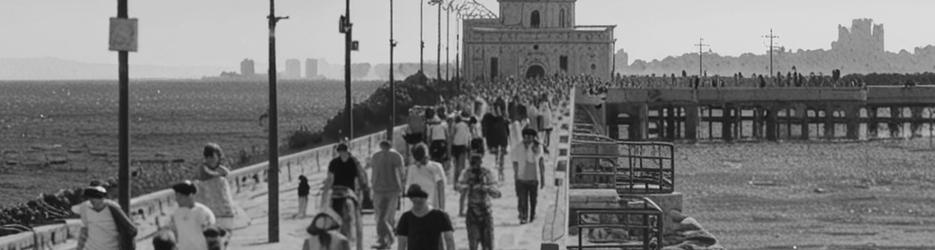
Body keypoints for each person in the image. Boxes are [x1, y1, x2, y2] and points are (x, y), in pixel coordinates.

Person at [321, 143, 369, 250]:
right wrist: (361, 194)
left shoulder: (333, 162)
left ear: (338, 151)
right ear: (348, 150)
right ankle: (359, 247)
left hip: (335, 193)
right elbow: (360, 179)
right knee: (358, 223)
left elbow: (329, 180)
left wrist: (324, 197)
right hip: (349, 193)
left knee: (331, 222)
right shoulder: (354, 162)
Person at [71, 185, 137, 250]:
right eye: (89, 197)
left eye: (95, 196)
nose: (91, 199)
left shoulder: (113, 208)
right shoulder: (85, 208)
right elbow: (84, 231)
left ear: (102, 198)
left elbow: (131, 229)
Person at [457, 155, 501, 250]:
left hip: (486, 212)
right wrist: (467, 186)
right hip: (472, 212)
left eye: (477, 163)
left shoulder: (487, 173)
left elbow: (497, 193)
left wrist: (486, 188)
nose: (475, 167)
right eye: (473, 163)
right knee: (473, 245)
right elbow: (459, 186)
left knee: (488, 246)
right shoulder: (467, 173)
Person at [396, 184, 456, 250]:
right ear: (411, 199)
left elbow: (450, 241)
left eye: (420, 197)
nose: (418, 199)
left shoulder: (440, 215)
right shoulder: (406, 218)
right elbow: (401, 244)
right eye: (414, 197)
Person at [194, 143, 239, 231]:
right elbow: (212, 175)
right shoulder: (202, 169)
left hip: (222, 208)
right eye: (207, 157)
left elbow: (226, 173)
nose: (210, 160)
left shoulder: (219, 168)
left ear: (219, 157)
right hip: (209, 206)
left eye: (213, 157)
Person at [369, 140, 405, 249]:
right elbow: (401, 173)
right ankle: (388, 239)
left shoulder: (375, 156)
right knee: (390, 215)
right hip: (392, 190)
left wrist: (372, 187)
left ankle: (382, 238)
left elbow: (373, 174)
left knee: (379, 215)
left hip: (379, 190)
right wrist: (401, 189)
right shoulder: (397, 156)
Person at [167, 180, 216, 250]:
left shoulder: (202, 212)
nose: (176, 200)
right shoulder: (176, 214)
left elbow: (212, 236)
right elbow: (174, 234)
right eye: (176, 196)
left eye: (180, 197)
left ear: (189, 196)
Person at [512, 128, 546, 224]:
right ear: (524, 137)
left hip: (533, 179)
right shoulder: (518, 147)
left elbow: (541, 162)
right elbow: (515, 162)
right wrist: (515, 176)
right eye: (527, 137)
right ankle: (523, 216)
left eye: (531, 137)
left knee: (533, 199)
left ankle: (532, 214)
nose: (529, 139)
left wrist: (543, 178)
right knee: (522, 199)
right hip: (521, 178)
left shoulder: (537, 147)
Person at [404, 143, 447, 212]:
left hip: (424, 208)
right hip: (425, 208)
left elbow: (408, 189)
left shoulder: (434, 167)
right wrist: (442, 209)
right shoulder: (435, 167)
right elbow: (441, 188)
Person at [481, 102, 510, 181]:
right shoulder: (489, 118)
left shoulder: (500, 118)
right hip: (496, 140)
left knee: (500, 157)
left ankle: (500, 172)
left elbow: (506, 130)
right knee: (498, 157)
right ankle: (499, 172)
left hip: (500, 140)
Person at [451, 112, 472, 216]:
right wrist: (469, 149)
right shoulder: (466, 126)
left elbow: (452, 136)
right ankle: (460, 182)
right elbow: (468, 138)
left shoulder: (455, 125)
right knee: (461, 166)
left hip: (455, 146)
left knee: (456, 166)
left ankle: (455, 184)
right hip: (463, 147)